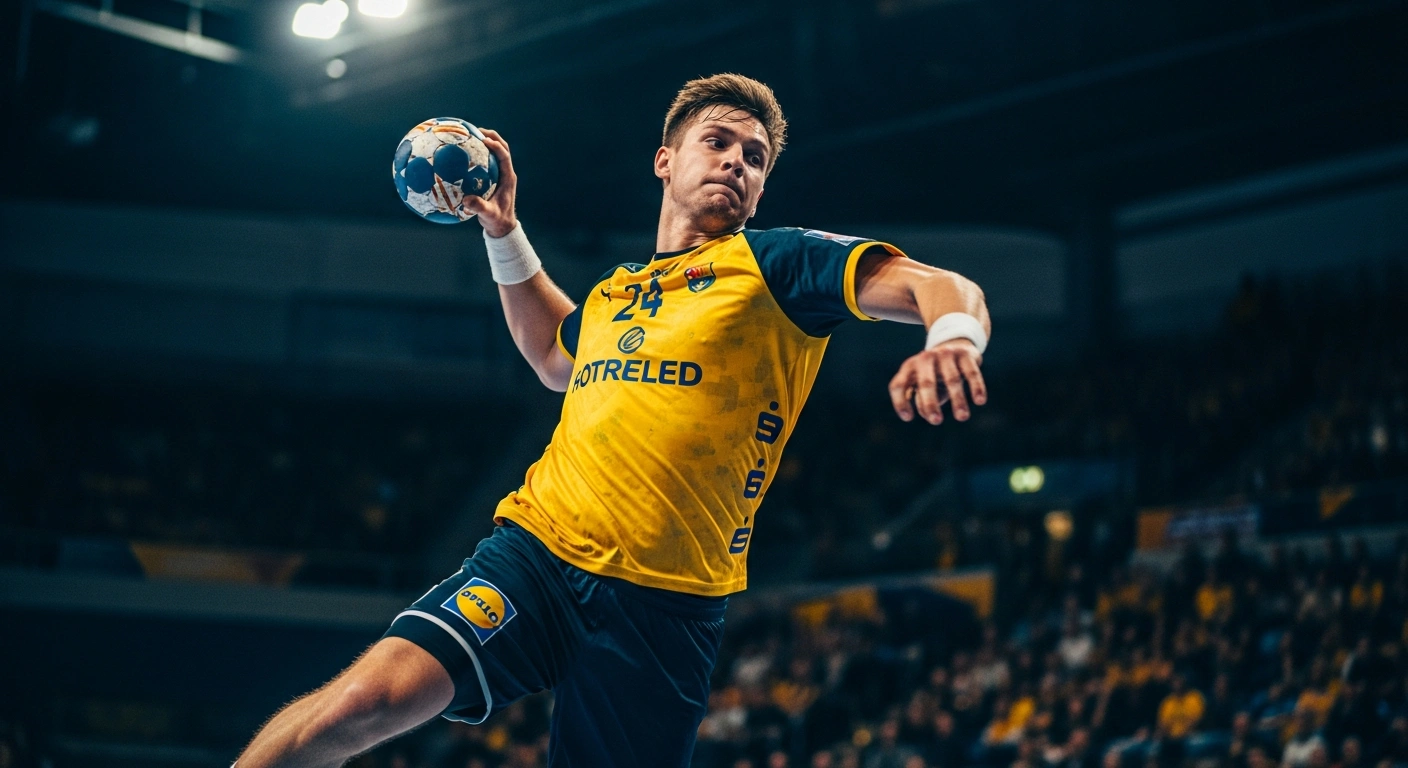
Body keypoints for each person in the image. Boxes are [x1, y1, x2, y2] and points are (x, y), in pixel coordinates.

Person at [234, 73, 990, 767]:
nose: (737, 163)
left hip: (666, 611)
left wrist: (952, 338)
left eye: (755, 157)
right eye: (718, 142)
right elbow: (551, 353)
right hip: (537, 558)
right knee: (359, 706)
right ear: (666, 161)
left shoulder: (780, 266)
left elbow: (946, 286)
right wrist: (503, 231)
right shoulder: (613, 295)